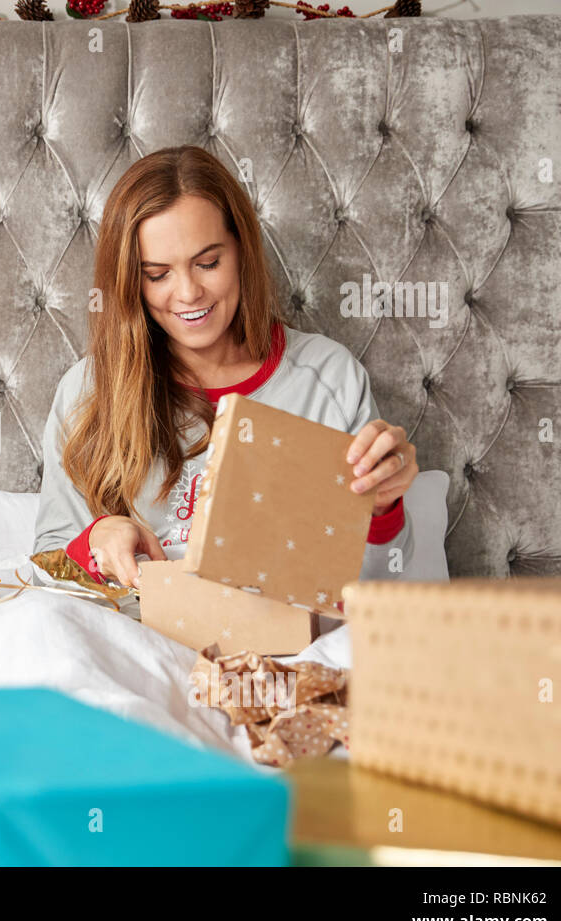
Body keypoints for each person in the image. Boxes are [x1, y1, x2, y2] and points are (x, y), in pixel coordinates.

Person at [35, 146, 416, 590]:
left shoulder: (329, 377)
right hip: (136, 630)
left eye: (208, 263)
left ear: (242, 252)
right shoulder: (88, 389)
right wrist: (98, 539)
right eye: (157, 274)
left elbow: (380, 573)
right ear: (130, 282)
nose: (189, 293)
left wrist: (383, 507)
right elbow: (48, 562)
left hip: (283, 638)